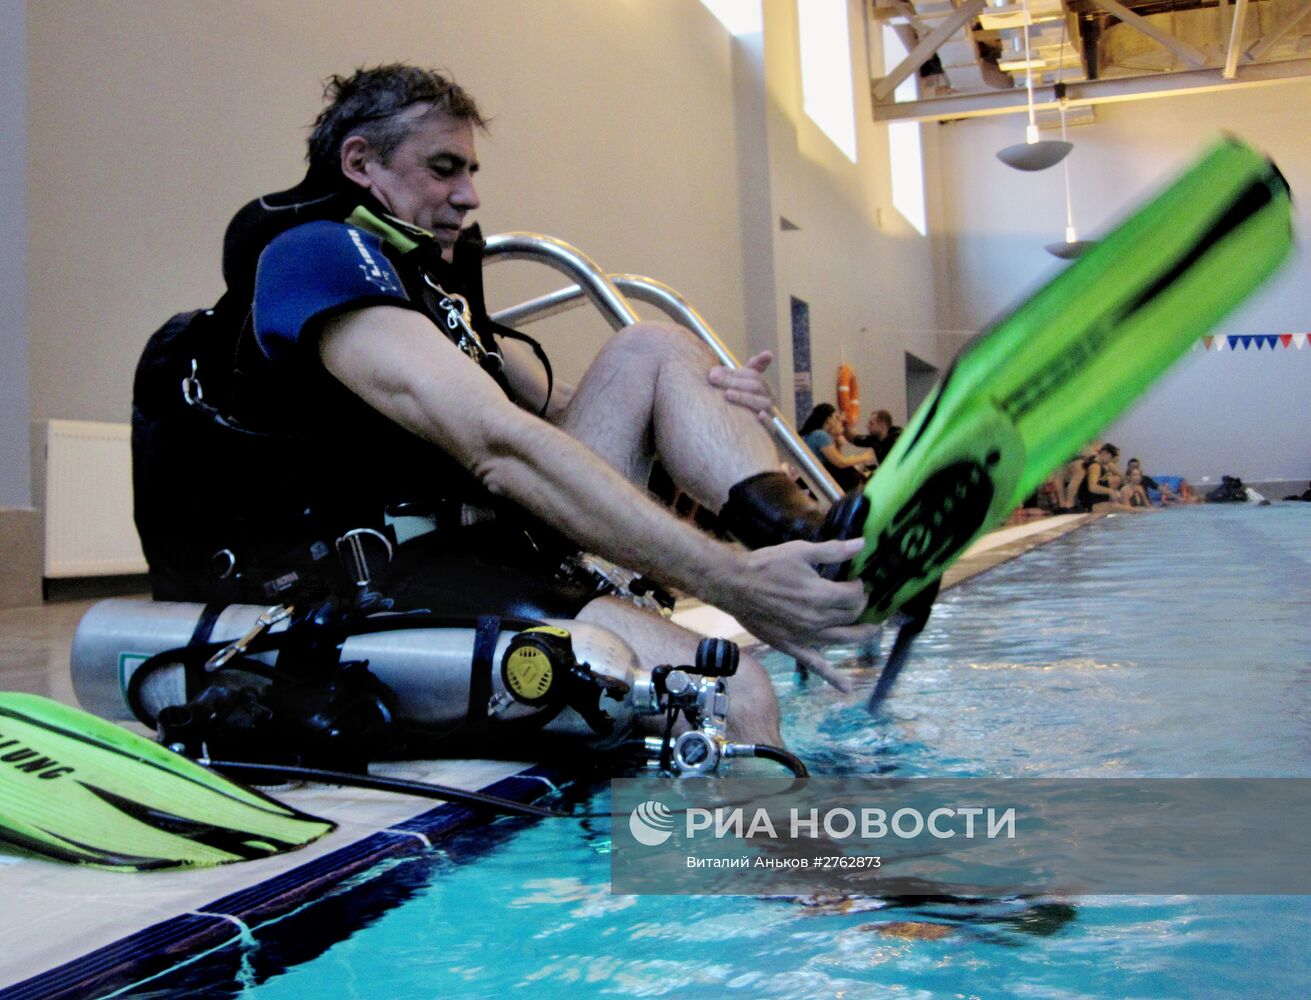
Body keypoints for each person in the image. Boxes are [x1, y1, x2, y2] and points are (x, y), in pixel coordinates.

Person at [137, 65, 878, 746]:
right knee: (731, 691)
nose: (469, 194)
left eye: (471, 170)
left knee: (654, 348)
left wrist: (729, 412)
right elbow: (495, 444)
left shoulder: (430, 281)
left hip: (487, 541)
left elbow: (557, 415)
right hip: (388, 574)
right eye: (443, 168)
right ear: (360, 162)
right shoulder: (313, 254)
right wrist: (726, 582)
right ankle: (812, 888)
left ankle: (806, 543)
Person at [799, 403, 876, 492]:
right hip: (815, 481)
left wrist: (837, 441)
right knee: (854, 476)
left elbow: (837, 462)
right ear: (829, 419)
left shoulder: (812, 434)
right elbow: (841, 462)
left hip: (812, 479)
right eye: (836, 417)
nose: (839, 421)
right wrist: (864, 457)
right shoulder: (820, 435)